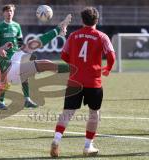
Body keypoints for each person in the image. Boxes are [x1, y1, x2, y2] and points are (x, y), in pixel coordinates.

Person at [50, 7, 116, 157]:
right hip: (93, 81)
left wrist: (76, 64)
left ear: (82, 20)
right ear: (97, 20)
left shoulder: (73, 36)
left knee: (67, 112)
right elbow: (111, 55)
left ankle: (56, 140)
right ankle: (88, 146)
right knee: (94, 113)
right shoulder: (102, 36)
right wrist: (108, 68)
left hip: (74, 81)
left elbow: (64, 55)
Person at [0, 14, 72, 86]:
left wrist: (0, 54)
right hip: (10, 73)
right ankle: (74, 70)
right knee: (45, 63)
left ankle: (58, 30)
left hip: (11, 61)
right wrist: (0, 50)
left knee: (30, 44)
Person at [0, 4, 38, 109]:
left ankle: (27, 100)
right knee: (5, 80)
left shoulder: (16, 26)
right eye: (7, 11)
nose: (9, 13)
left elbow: (20, 41)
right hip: (4, 57)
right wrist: (0, 50)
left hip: (16, 55)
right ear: (3, 13)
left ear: (13, 13)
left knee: (24, 74)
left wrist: (22, 47)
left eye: (11, 11)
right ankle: (1, 102)